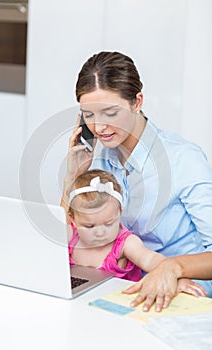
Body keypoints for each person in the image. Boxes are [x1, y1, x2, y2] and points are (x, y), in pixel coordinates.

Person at [61, 51, 212, 311]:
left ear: (137, 102)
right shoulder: (99, 161)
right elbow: (72, 236)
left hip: (180, 292)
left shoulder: (183, 159)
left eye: (110, 113)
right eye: (89, 115)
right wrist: (73, 178)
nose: (99, 127)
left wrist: (172, 267)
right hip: (119, 288)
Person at [67, 168, 205, 302]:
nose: (100, 232)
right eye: (89, 226)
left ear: (119, 212)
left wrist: (176, 279)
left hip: (119, 308)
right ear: (72, 219)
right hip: (80, 304)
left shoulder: (125, 243)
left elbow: (151, 259)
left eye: (109, 223)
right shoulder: (70, 237)